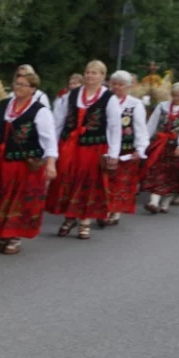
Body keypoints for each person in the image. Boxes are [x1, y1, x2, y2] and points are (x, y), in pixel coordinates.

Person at [46, 60, 122, 240]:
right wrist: (52, 148)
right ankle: (70, 216)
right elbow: (58, 122)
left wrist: (113, 152)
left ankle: (85, 220)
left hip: (93, 147)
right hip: (69, 145)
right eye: (88, 72)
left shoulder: (108, 98)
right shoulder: (71, 95)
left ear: (103, 76)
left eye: (95, 73)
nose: (90, 75)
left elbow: (114, 126)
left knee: (87, 182)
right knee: (68, 179)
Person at [0, 69, 58, 254]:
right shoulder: (3, 105)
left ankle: (14, 237)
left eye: (23, 85)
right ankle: (3, 234)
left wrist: (50, 163)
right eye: (17, 84)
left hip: (24, 165)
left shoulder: (40, 111)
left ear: (33, 89)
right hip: (0, 161)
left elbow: (49, 140)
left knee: (18, 201)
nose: (18, 88)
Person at [140, 83, 179, 214]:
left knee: (172, 175)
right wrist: (144, 140)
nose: (177, 98)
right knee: (156, 172)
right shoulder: (162, 107)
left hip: (175, 147)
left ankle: (165, 202)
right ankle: (153, 202)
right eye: (174, 95)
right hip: (161, 145)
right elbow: (151, 124)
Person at [102, 70, 148, 226]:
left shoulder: (135, 104)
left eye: (120, 84)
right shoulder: (105, 101)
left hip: (126, 149)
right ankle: (105, 209)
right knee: (106, 180)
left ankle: (115, 211)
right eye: (114, 84)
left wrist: (140, 148)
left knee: (121, 182)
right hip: (106, 147)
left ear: (128, 86)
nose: (116, 87)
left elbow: (141, 128)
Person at [51, 73, 83, 137]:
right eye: (70, 84)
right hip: (68, 132)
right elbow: (58, 119)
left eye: (75, 84)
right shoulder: (64, 99)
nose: (72, 86)